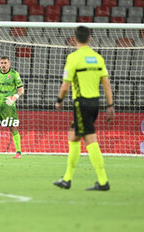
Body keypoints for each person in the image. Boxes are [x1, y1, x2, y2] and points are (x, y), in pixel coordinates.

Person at [53, 26, 115, 191]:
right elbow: (106, 83)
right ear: (90, 38)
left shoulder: (74, 58)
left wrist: (59, 100)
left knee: (90, 140)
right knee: (73, 136)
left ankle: (103, 181)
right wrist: (110, 105)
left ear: (75, 39)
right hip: (95, 104)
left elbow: (66, 85)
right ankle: (67, 179)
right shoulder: (97, 57)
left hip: (81, 103)